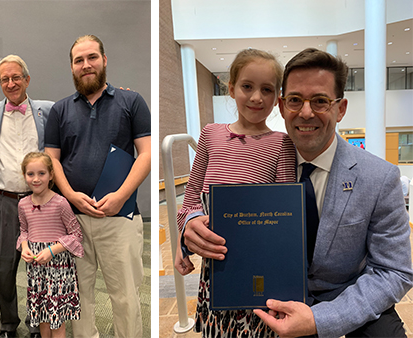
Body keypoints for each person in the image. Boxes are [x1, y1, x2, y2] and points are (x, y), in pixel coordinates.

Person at [183, 47, 413, 337]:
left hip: (344, 294)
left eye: (320, 101)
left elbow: (394, 271)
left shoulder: (379, 178)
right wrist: (190, 223)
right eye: (295, 100)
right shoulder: (264, 155)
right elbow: (201, 194)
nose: (306, 112)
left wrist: (321, 319)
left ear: (340, 109)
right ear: (281, 106)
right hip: (267, 291)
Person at [174, 48, 296, 337]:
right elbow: (191, 198)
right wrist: (185, 234)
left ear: (277, 97)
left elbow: (288, 213)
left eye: (267, 89)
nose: (256, 97)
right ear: (231, 88)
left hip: (261, 266)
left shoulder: (282, 144)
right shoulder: (211, 134)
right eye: (247, 86)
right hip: (216, 268)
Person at [44, 34, 151, 338]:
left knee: (126, 296)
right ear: (72, 67)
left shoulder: (132, 101)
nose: (86, 65)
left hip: (118, 218)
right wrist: (70, 196)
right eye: (79, 60)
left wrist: (120, 196)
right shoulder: (60, 110)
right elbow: (52, 160)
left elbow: (146, 153)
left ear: (104, 60)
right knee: (79, 297)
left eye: (92, 57)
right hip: (73, 219)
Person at [0, 54, 53, 338]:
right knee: (4, 269)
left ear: (27, 79)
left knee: (39, 267)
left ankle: (37, 324)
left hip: (40, 203)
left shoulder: (47, 110)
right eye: (4, 79)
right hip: (3, 201)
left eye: (16, 77)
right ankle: (8, 324)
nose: (11, 83)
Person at [17, 152, 83, 338]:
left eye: (41, 173)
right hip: (37, 269)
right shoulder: (23, 204)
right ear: (24, 176)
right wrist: (25, 247)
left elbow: (77, 235)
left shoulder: (60, 203)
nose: (36, 179)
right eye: (30, 174)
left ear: (51, 175)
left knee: (57, 321)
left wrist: (53, 250)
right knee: (42, 318)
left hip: (58, 268)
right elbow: (24, 231)